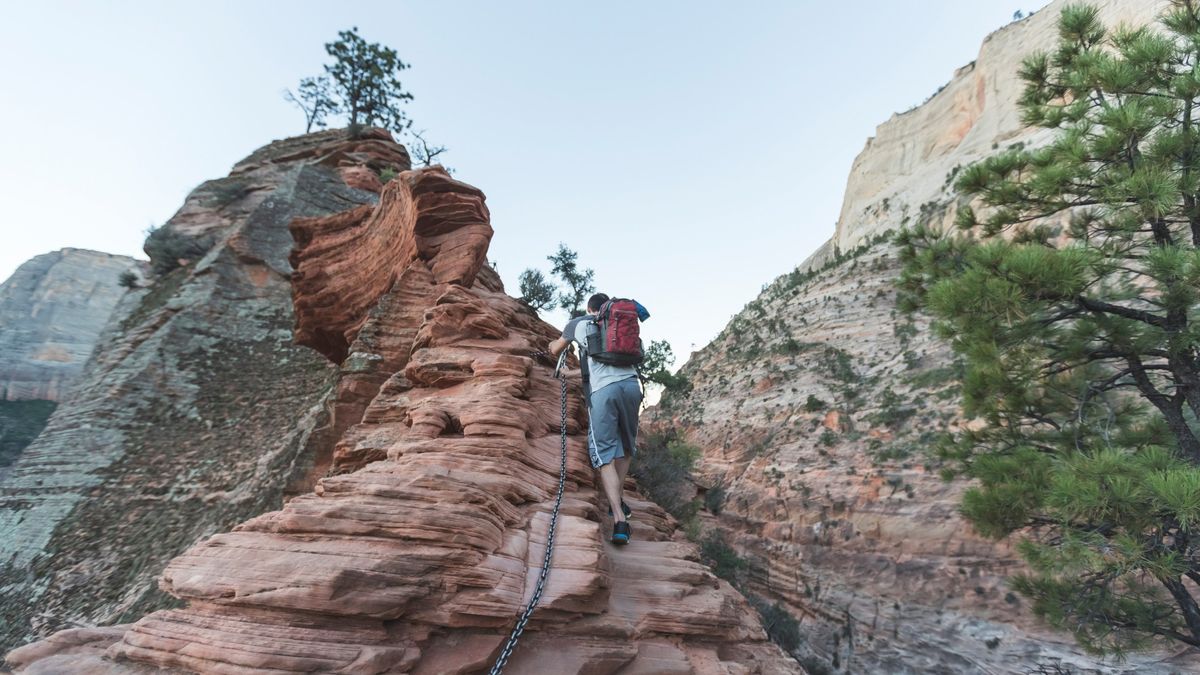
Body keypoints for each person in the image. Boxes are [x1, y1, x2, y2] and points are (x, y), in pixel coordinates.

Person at [548, 293, 642, 545]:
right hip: (632, 385)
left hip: (603, 392)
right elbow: (600, 368)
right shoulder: (618, 326)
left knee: (603, 454)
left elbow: (555, 348)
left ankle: (620, 519)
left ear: (589, 308)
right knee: (626, 447)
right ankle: (618, 499)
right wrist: (574, 374)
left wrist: (552, 351)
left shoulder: (577, 324)